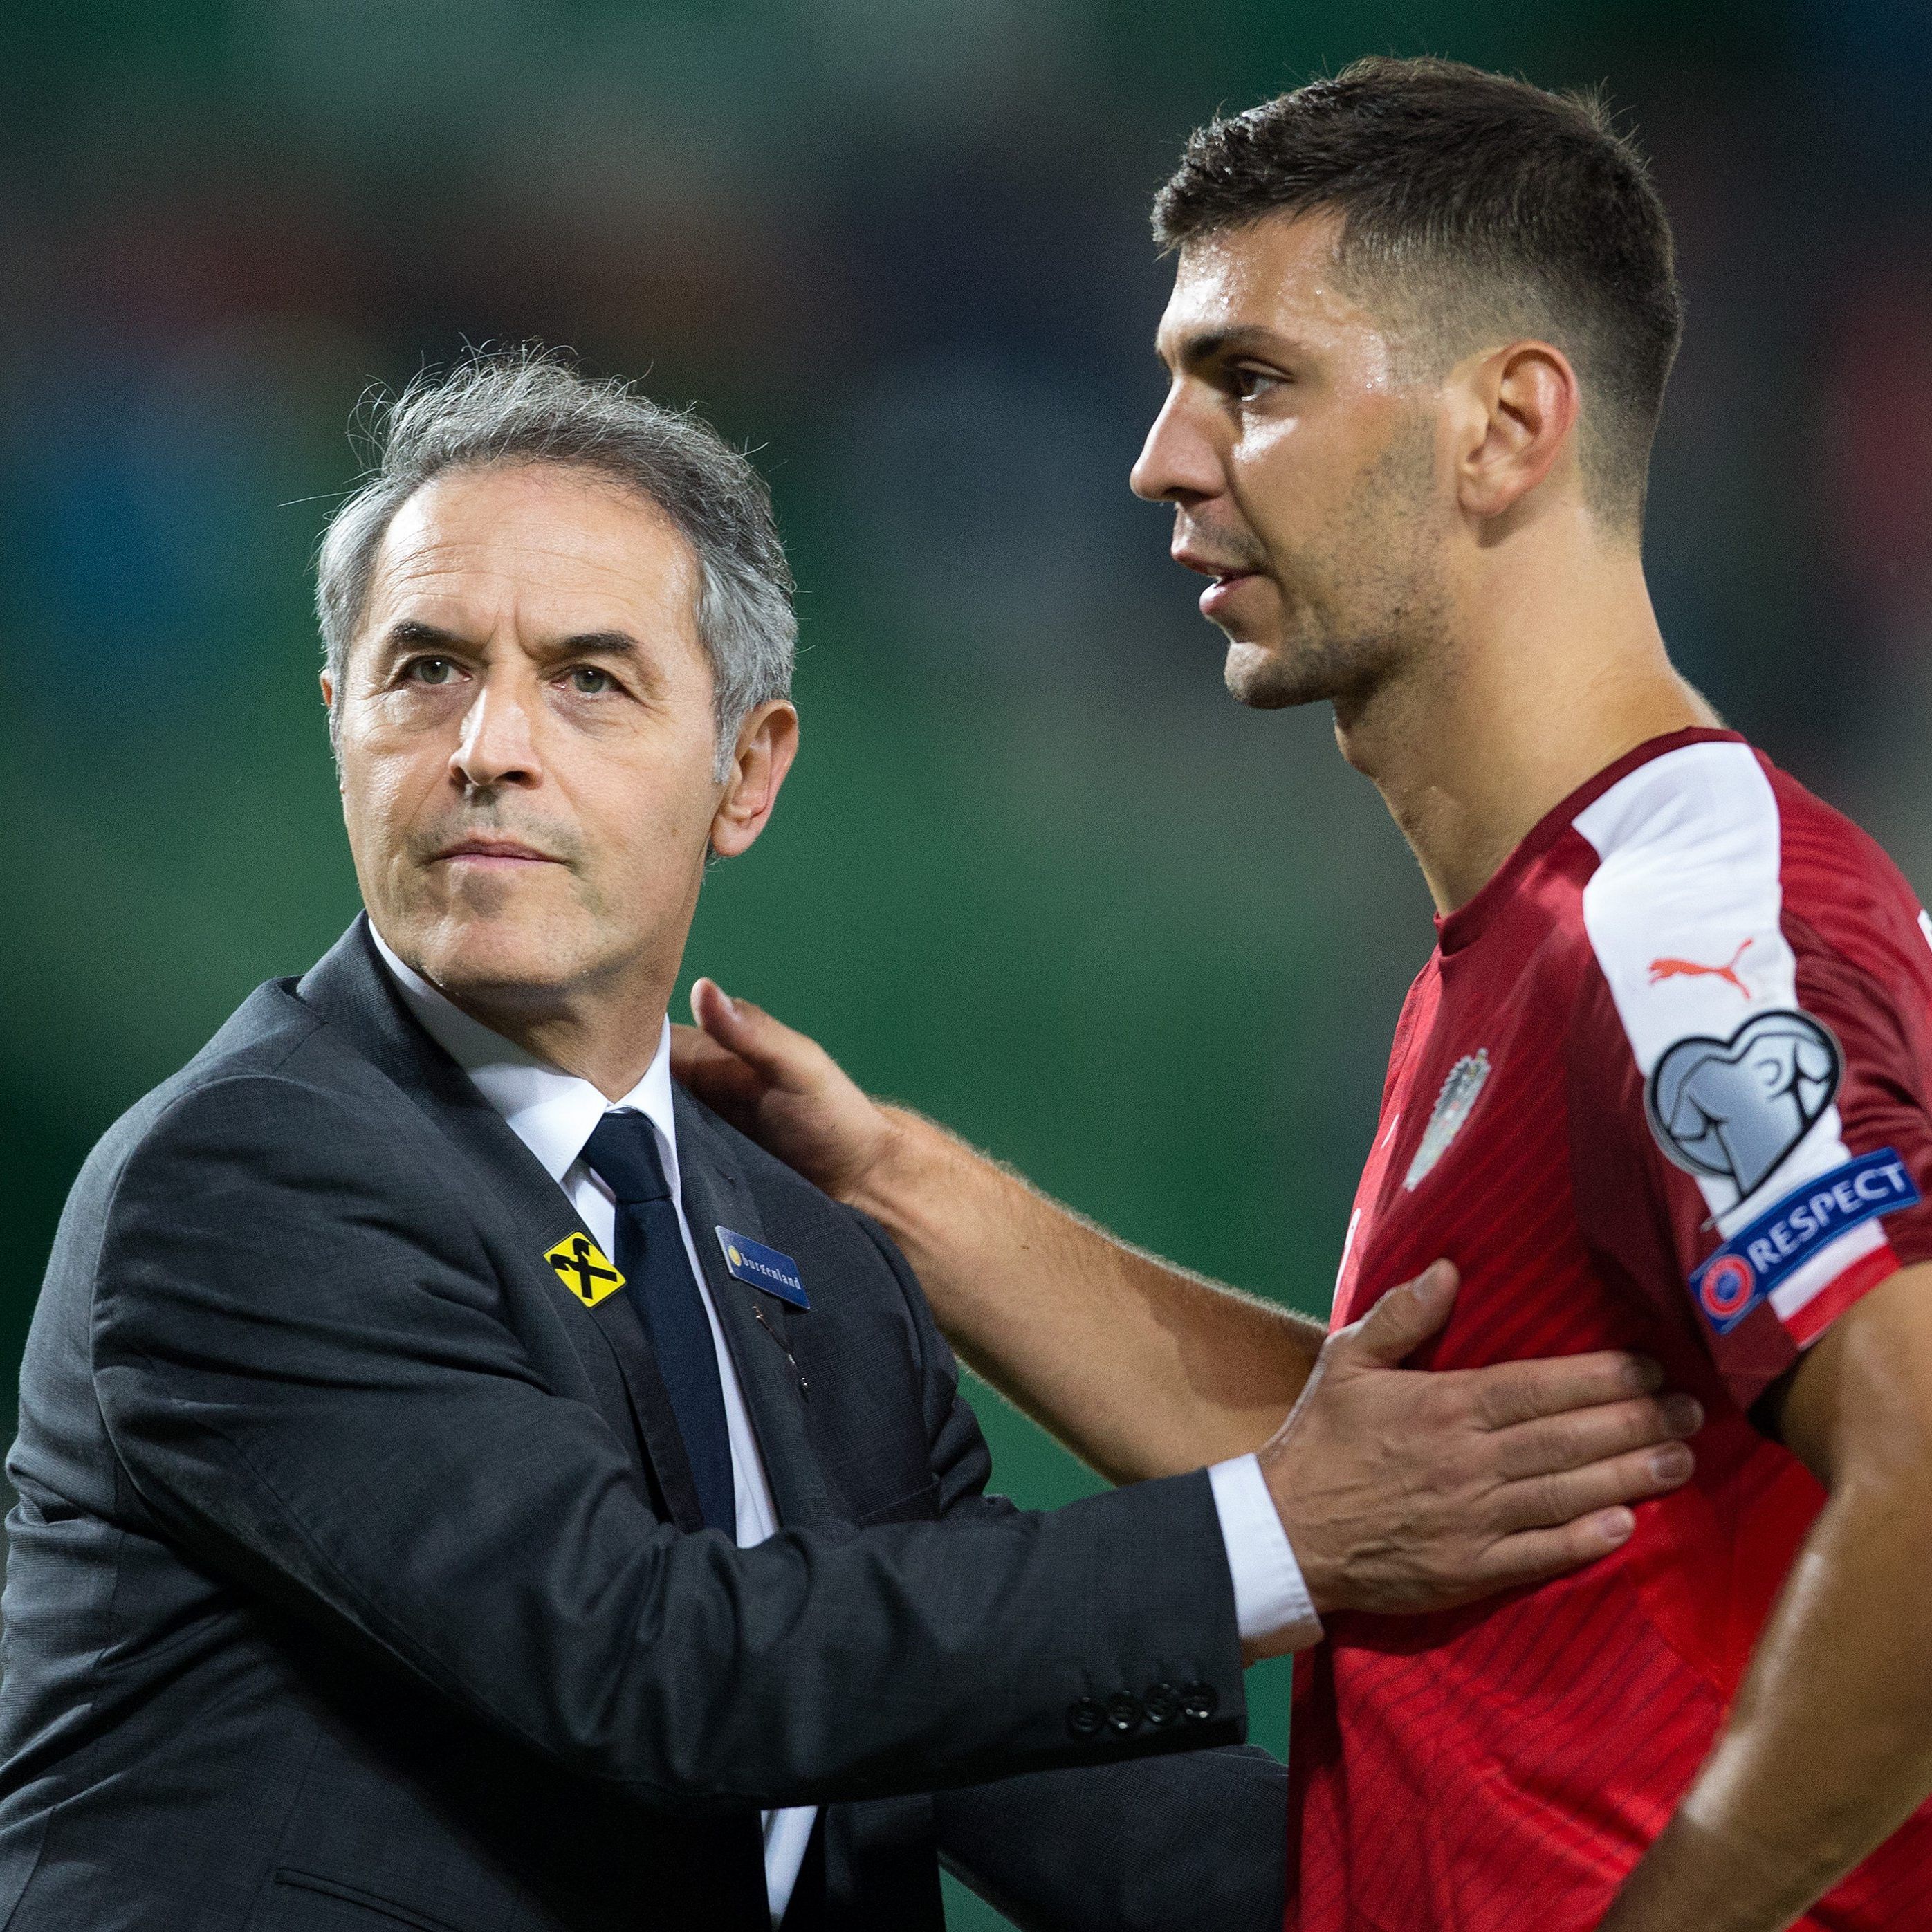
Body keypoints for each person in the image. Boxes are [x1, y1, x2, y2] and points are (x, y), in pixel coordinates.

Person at [0, 351, 1697, 1932]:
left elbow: (1037, 1773)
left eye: (587, 680)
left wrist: (1612, 1888)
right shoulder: (248, 1181)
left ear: (746, 773)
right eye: (425, 669)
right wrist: (1271, 1529)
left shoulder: (799, 1255)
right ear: (338, 724)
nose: (486, 747)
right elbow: (656, 1666)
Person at [674, 58, 1932, 1932]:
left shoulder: (1675, 932)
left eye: (1250, 383)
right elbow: (1402, 1480)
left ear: (1506, 430)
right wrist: (885, 1183)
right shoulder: (1529, 942)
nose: (1160, 460)